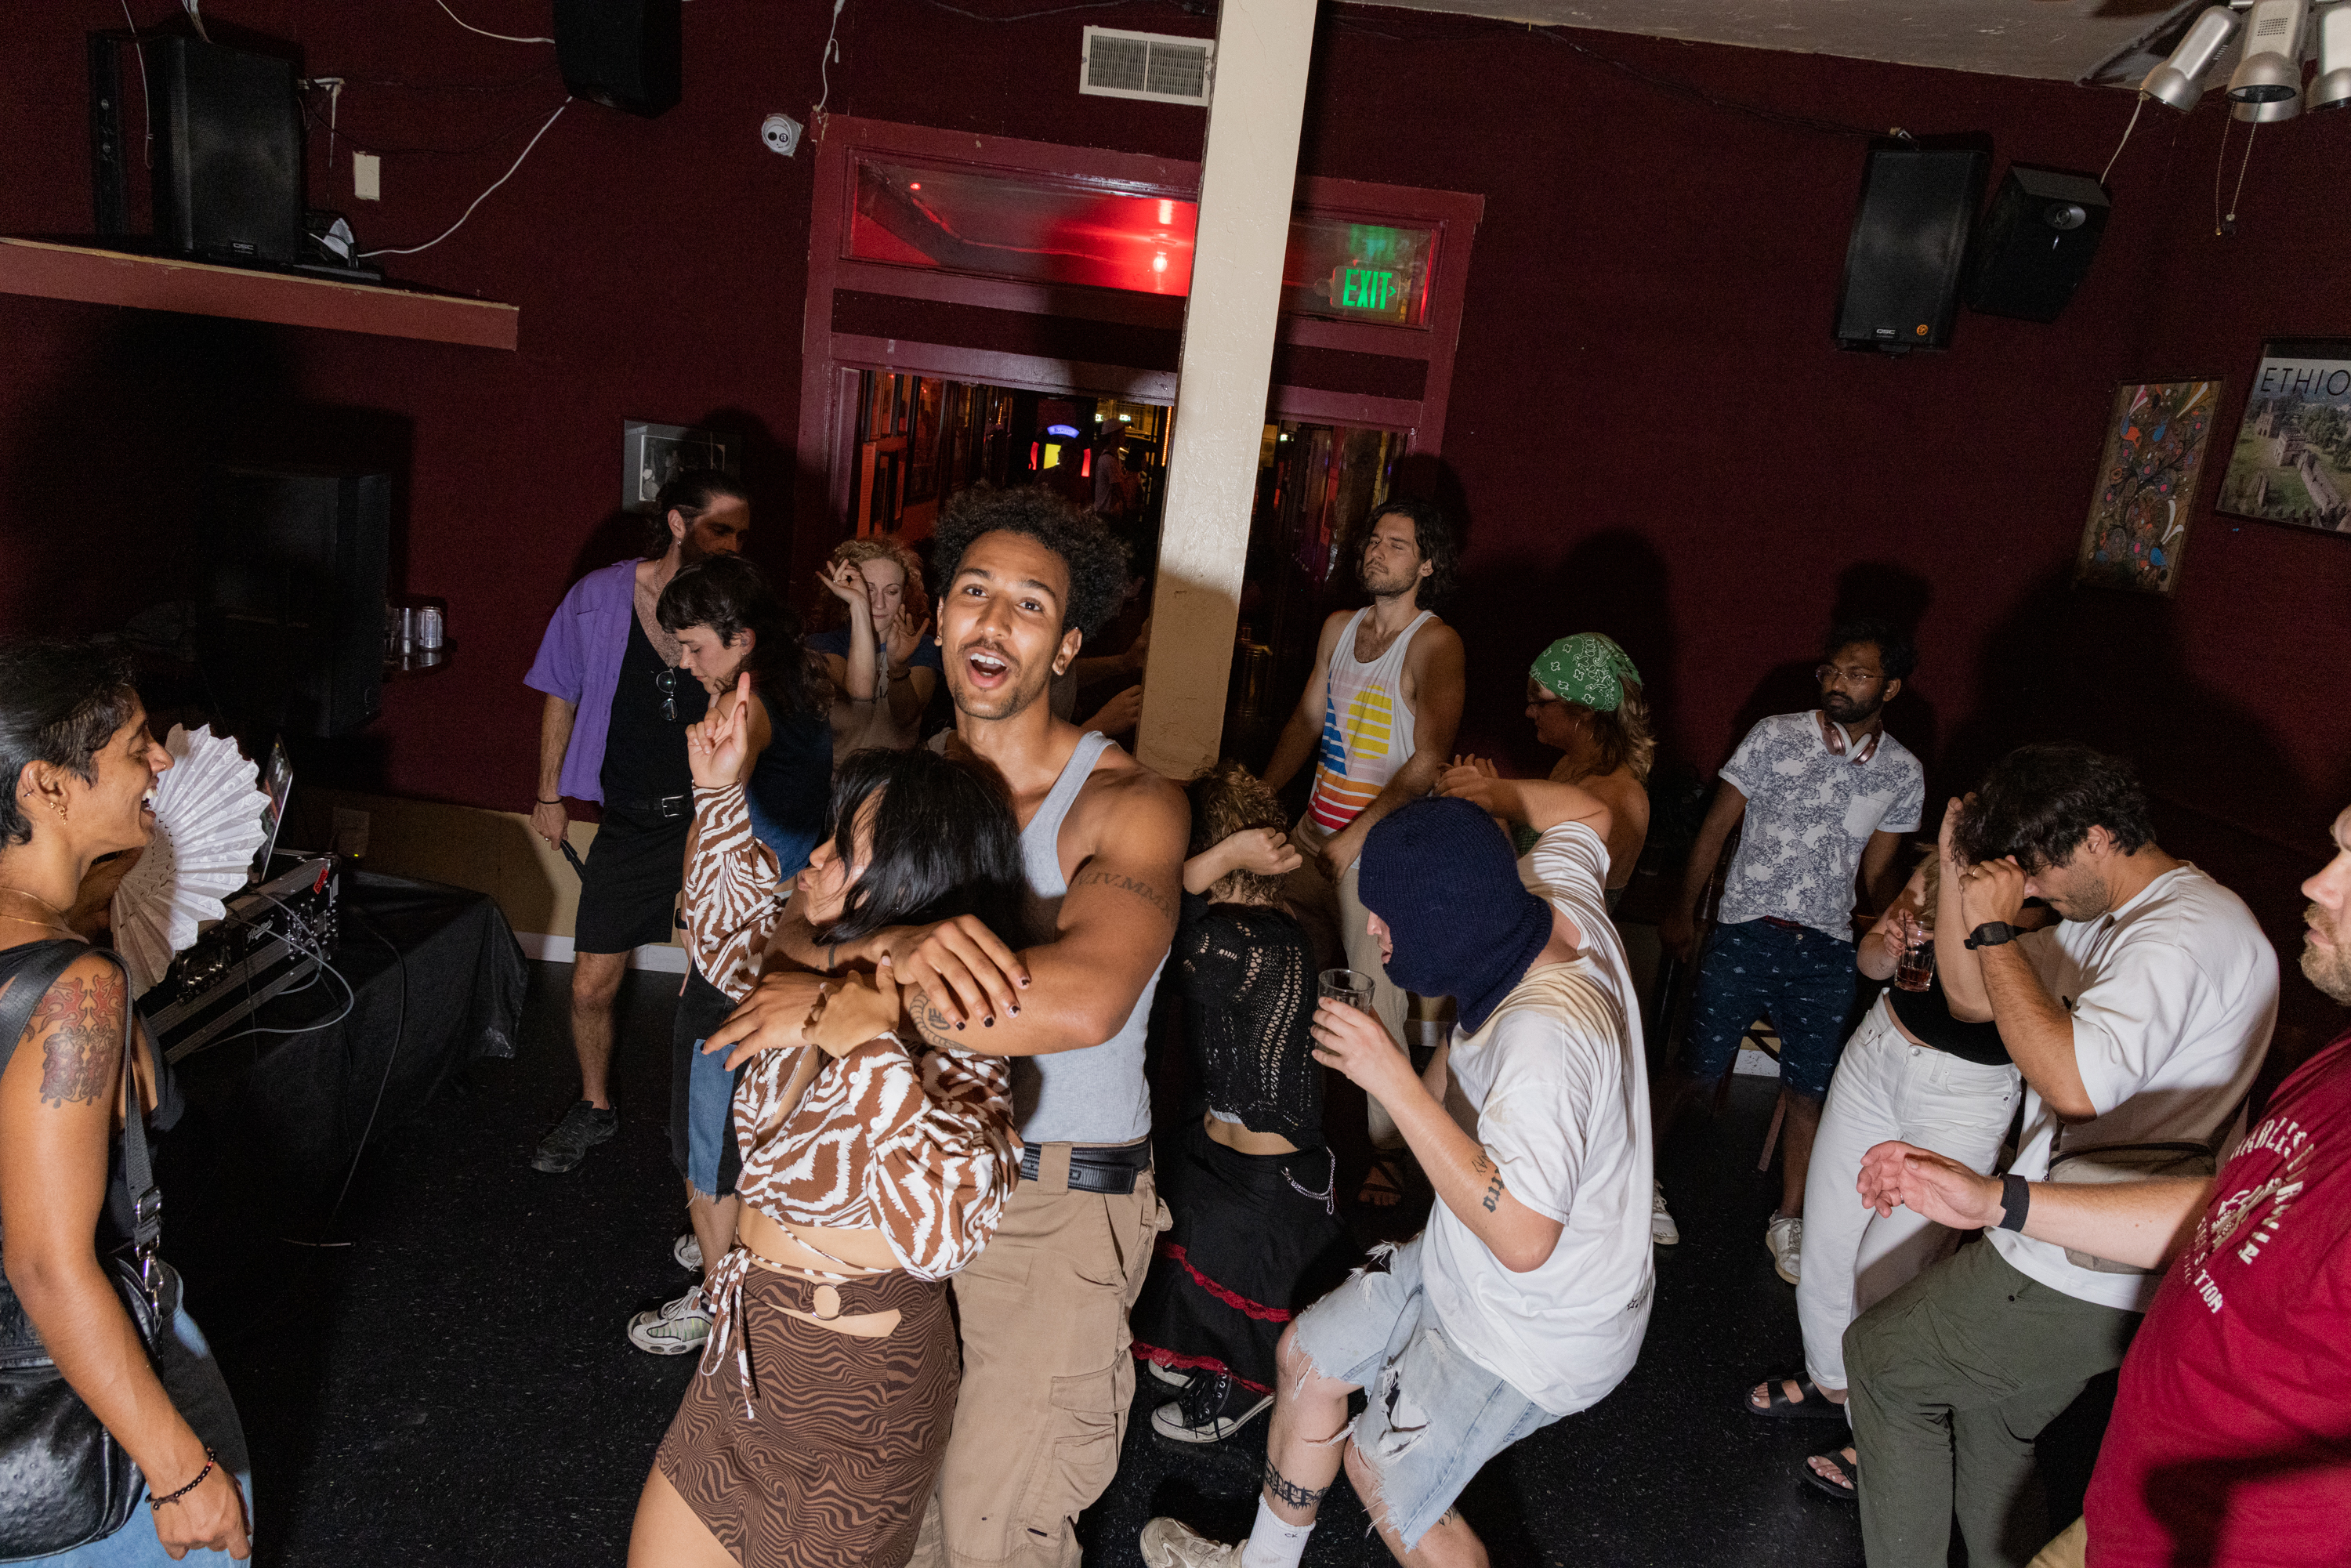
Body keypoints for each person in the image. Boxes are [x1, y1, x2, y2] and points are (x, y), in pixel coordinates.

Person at [708, 485, 1187, 1568]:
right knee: (879, 1512)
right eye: (975, 591)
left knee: (995, 1531)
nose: (994, 619)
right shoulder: (898, 782)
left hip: (1051, 1204)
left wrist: (861, 987)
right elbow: (785, 940)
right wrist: (873, 966)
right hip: (893, 1179)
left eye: (1029, 605)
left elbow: (1083, 1001)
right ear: (940, 618)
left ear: (1067, 644)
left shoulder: (1128, 804)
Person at [1141, 777, 1651, 1568]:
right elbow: (1591, 815)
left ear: (1449, 927)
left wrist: (1397, 1082)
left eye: (1390, 919)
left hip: (1540, 1325)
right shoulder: (1551, 897)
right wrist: (1498, 793)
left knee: (1386, 1483)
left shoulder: (1544, 1048)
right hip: (1472, 1257)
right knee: (1307, 1365)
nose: (1374, 931)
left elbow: (1522, 1237)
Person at [1853, 799, 2351, 1568]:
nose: (2316, 883)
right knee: (1995, 1425)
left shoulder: (2187, 933)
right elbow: (1970, 997)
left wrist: (1991, 927)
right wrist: (1997, 1200)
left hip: (2217, 1532)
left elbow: (2074, 1087)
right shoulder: (2335, 1069)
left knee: (1884, 1363)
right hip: (2132, 1506)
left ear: (2090, 839)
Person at [628, 727, 1029, 1568]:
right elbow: (720, 937)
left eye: (844, 847)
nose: (813, 854)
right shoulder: (812, 967)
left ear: (909, 880)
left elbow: (945, 1234)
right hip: (746, 1351)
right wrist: (716, 791)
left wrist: (870, 1046)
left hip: (858, 1395)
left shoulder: (954, 1031)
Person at [0, 640, 252, 1563]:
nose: (162, 761)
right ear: (48, 787)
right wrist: (179, 1473)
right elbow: (47, 1264)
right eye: (138, 744)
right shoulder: (74, 992)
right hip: (71, 1405)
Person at [1750, 799, 2038, 1492]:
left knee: (1889, 1275)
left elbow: (1971, 1002)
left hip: (1962, 1094)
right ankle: (1832, 1378)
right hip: (1878, 1056)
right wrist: (1891, 936)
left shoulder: (2034, 910)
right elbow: (1873, 965)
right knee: (1824, 1241)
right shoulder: (1933, 878)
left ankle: (1876, 1435)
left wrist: (1945, 886)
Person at [1653, 620, 1925, 1265]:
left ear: (1890, 687)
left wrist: (1905, 914)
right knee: (1695, 1067)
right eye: (1830, 670)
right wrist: (1683, 910)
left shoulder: (1902, 772)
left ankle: (1790, 1217)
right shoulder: (1776, 735)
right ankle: (1640, 1184)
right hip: (1747, 931)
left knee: (1811, 1088)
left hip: (1826, 950)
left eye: (1855, 674)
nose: (1835, 683)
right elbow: (1716, 829)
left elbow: (1879, 873)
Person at [627, 556, 835, 1354]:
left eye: (693, 647)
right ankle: (733, 1260)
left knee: (704, 1150)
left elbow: (728, 800)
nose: (683, 662)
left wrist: (717, 776)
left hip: (737, 966)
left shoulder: (747, 713)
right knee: (752, 1131)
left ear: (740, 639)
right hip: (765, 945)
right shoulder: (793, 682)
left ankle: (722, 1305)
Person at [523, 469, 748, 1173]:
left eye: (740, 532)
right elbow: (559, 690)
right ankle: (594, 1106)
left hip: (711, 822)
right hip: (629, 820)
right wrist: (549, 791)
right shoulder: (598, 597)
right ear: (678, 524)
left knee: (714, 988)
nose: (733, 543)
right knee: (591, 984)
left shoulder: (737, 605)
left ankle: (714, 1125)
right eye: (720, 527)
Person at [1129, 762, 1355, 1447]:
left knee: (1226, 1245)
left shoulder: (1258, 939)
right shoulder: (1241, 925)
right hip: (1218, 1153)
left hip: (1269, 1184)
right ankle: (1200, 1342)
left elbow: (1151, 923)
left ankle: (1250, 1383)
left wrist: (1215, 859)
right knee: (1179, 1183)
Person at [1260, 498, 1465, 1206]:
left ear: (1428, 563)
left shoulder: (1435, 644)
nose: (1377, 552)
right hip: (1316, 834)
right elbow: (1310, 719)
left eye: (1398, 545)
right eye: (1374, 540)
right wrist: (1263, 795)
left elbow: (1430, 760)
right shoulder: (1338, 630)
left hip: (1379, 853)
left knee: (1372, 997)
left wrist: (1357, 835)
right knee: (1291, 968)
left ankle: (1390, 1152)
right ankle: (1290, 1115)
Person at [1520, 632, 1654, 904]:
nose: (1529, 712)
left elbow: (1542, 908)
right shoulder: (1570, 764)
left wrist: (1496, 824)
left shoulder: (1618, 798)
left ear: (1584, 708)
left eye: (1540, 702)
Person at [810, 538, 941, 746]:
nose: (879, 604)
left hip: (897, 774)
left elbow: (906, 720)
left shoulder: (922, 645)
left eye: (891, 592)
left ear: (904, 595)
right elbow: (854, 711)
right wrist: (859, 606)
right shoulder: (824, 644)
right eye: (868, 590)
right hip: (841, 776)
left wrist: (898, 667)